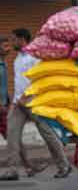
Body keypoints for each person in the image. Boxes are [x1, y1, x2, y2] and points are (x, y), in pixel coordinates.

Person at [0, 29, 72, 181]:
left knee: (47, 133)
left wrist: (27, 96)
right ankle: (12, 170)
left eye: (14, 40)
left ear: (22, 40)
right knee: (12, 135)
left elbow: (39, 79)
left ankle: (64, 165)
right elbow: (19, 81)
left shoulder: (35, 56)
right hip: (18, 103)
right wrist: (16, 99)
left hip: (33, 100)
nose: (12, 43)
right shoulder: (17, 59)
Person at [0, 36, 10, 140]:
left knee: (10, 134)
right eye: (5, 46)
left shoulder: (4, 63)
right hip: (1, 106)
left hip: (4, 105)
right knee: (10, 135)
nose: (8, 48)